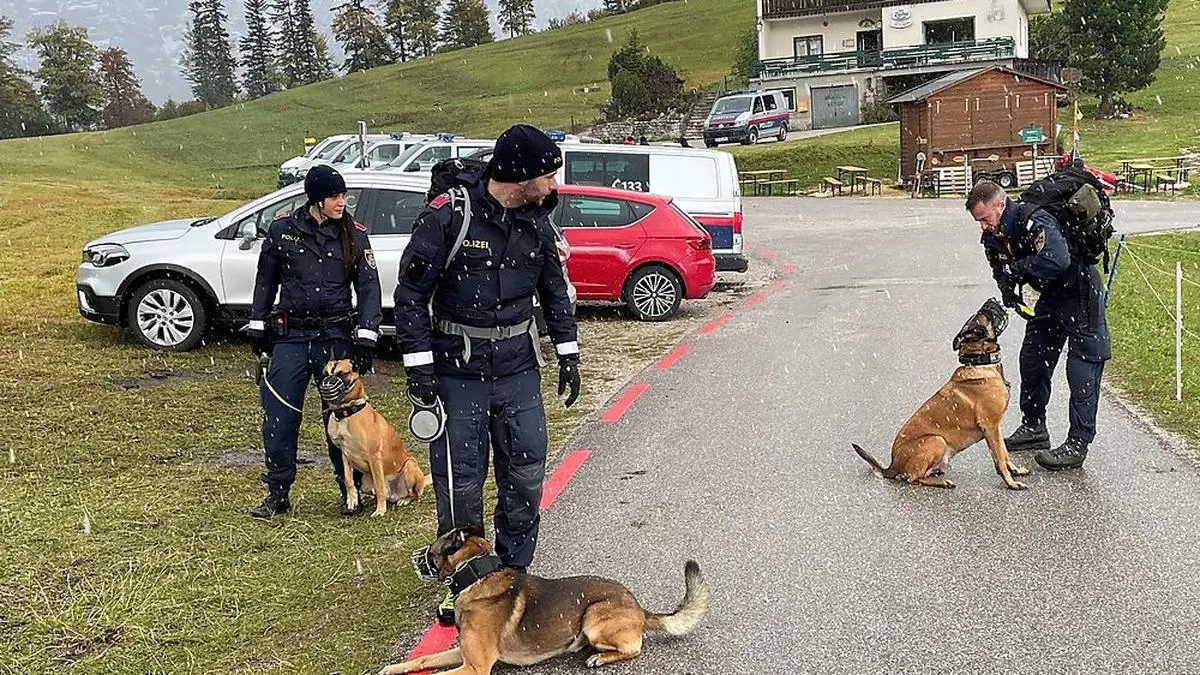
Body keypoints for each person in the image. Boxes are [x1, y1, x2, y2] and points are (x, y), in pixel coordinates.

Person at [394, 123, 580, 623]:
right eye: (548, 174)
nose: (554, 184)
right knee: (460, 485)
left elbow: (554, 291)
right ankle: (463, 582)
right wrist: (419, 368)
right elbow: (410, 295)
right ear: (520, 173)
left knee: (525, 476)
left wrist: (568, 352)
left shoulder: (538, 221)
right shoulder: (449, 216)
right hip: (458, 374)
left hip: (518, 371)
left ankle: (513, 575)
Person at [247, 164, 383, 518]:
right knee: (279, 417)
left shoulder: (354, 234)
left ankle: (349, 491)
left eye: (343, 196)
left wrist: (366, 337)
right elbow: (265, 280)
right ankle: (278, 493)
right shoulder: (283, 231)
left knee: (342, 419)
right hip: (291, 338)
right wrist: (257, 324)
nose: (342, 202)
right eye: (334, 196)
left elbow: (369, 289)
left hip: (334, 339)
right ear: (316, 200)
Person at [965, 179, 1110, 471]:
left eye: (985, 218)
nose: (983, 226)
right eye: (977, 221)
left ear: (1000, 204)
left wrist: (1017, 269)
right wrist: (1008, 288)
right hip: (1051, 295)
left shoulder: (1033, 220)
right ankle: (1034, 427)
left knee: (1082, 366)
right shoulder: (993, 235)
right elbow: (998, 265)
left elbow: (1057, 260)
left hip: (1079, 289)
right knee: (1033, 358)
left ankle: (1078, 443)